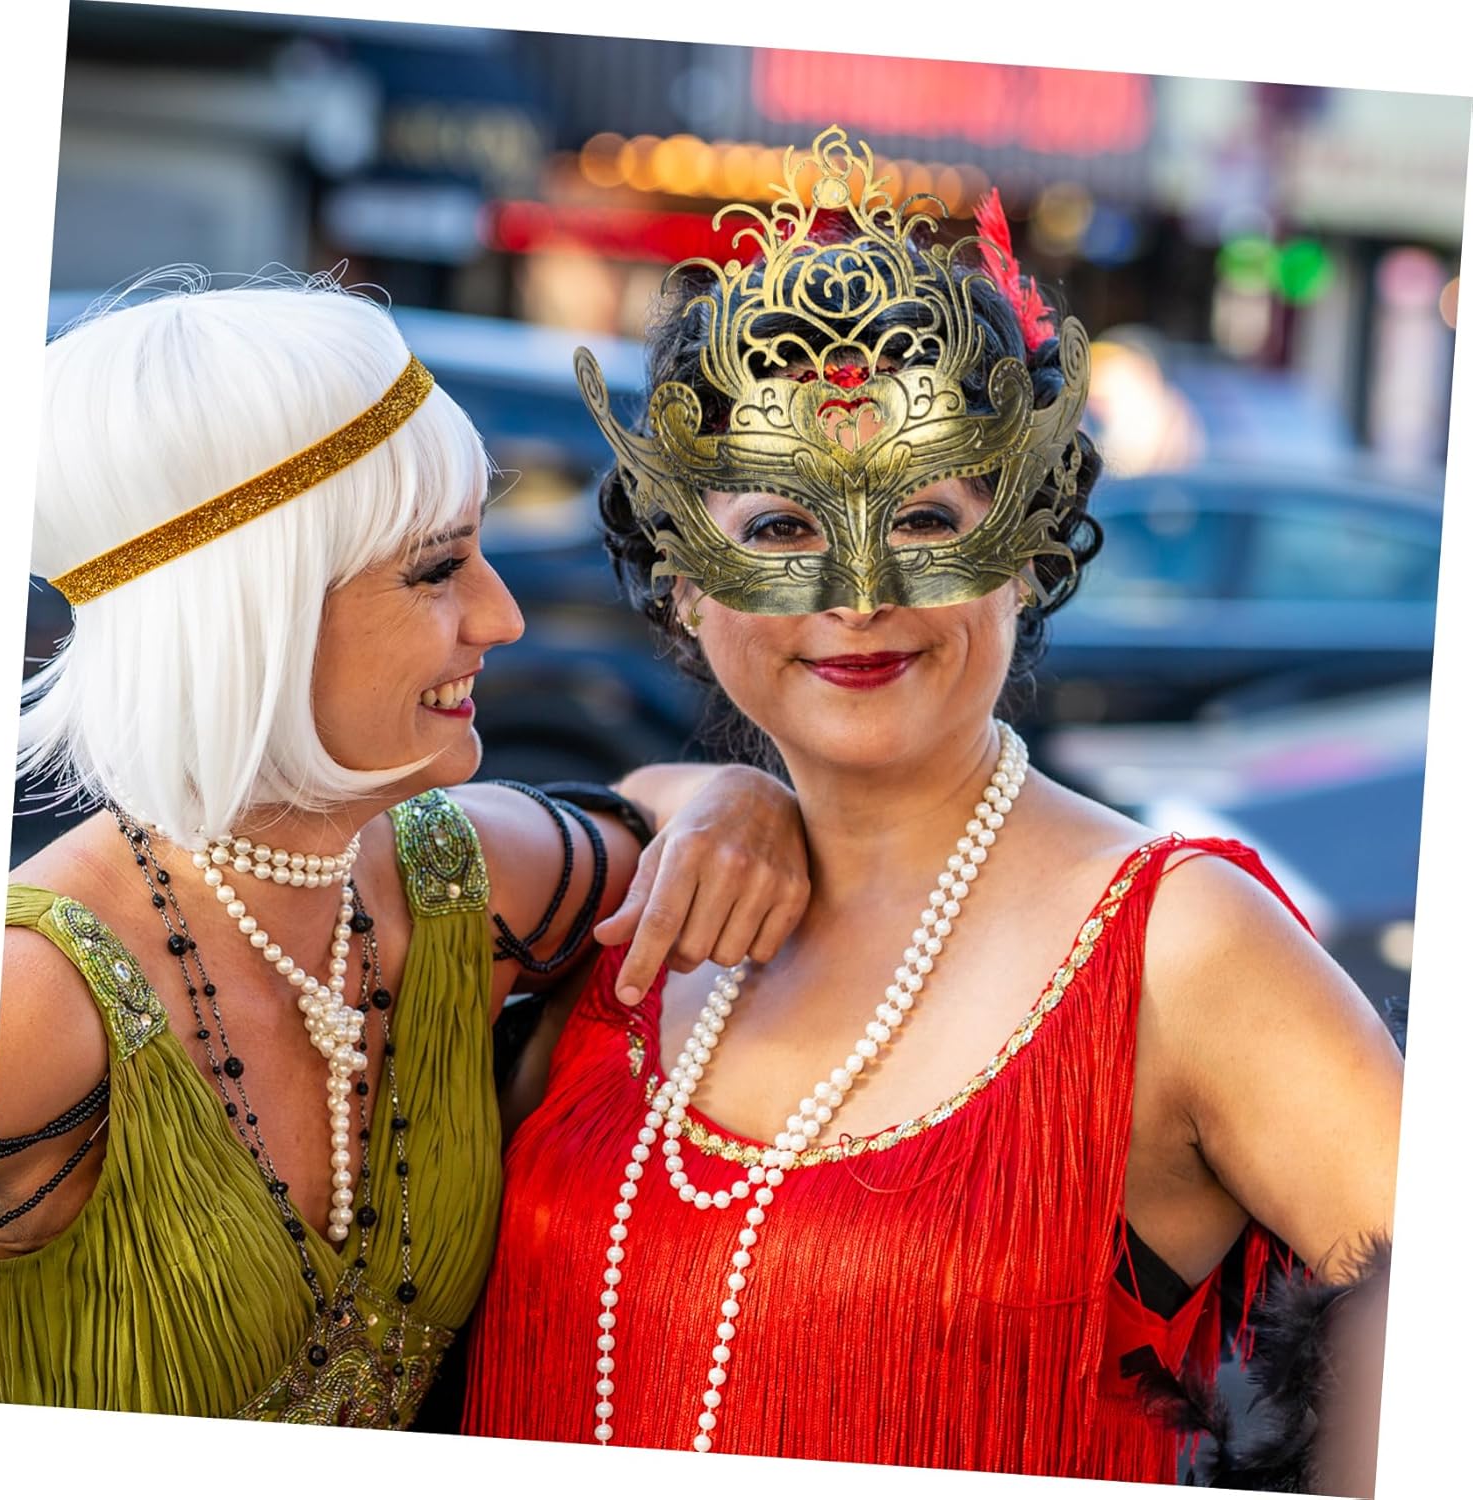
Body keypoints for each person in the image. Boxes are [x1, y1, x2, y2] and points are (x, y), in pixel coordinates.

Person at [462, 128, 1402, 1492]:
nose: (860, 594)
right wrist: (687, 795)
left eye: (927, 520)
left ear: (1025, 551)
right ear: (685, 582)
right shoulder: (624, 899)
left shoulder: (1183, 948)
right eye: (780, 529)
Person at [0, 272, 810, 1426]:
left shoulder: (461, 881)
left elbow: (654, 813)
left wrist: (734, 798)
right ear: (253, 610)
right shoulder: (30, 1002)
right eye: (437, 567)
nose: (503, 616)